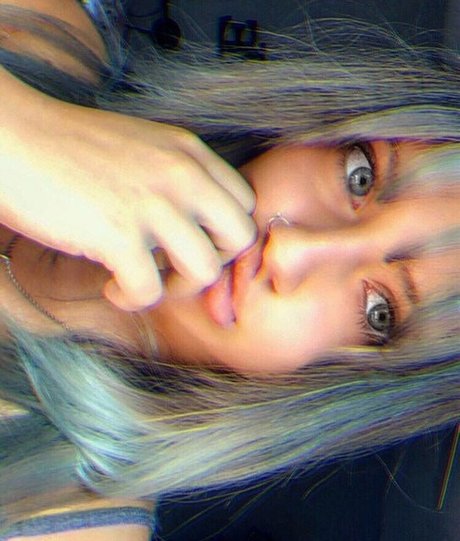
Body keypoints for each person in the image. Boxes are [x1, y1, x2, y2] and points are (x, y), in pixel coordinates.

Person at [0, 1, 458, 539]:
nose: (290, 250)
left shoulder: (65, 516)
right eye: (359, 176)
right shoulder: (44, 29)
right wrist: (23, 130)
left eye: (379, 310)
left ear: (348, 388)